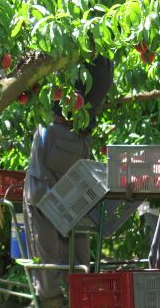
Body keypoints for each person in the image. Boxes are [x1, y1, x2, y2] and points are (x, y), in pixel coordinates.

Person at [23, 56, 114, 308]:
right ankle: (80, 292)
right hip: (80, 139)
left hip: (57, 136)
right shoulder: (104, 60)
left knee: (40, 208)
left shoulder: (70, 50)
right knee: (75, 210)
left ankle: (50, 298)